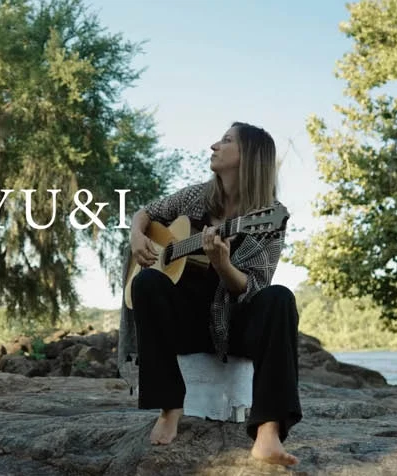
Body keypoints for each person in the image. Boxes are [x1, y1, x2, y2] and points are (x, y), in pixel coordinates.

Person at [124, 122, 302, 466]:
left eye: (225, 141)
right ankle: (170, 406)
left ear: (247, 156)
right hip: (186, 324)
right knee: (145, 283)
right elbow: (147, 212)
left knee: (280, 298)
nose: (213, 146)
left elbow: (252, 288)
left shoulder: (268, 217)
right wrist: (136, 235)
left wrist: (222, 263)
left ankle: (268, 431)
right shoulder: (196, 197)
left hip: (233, 327)